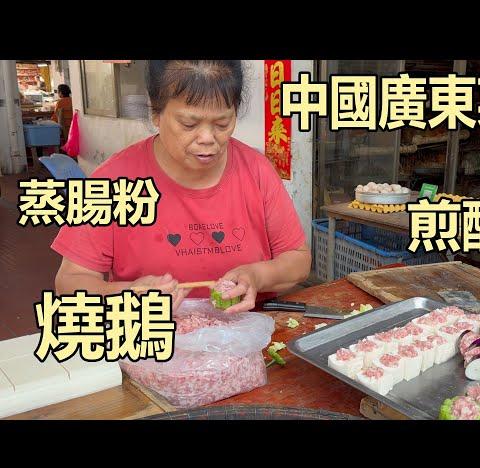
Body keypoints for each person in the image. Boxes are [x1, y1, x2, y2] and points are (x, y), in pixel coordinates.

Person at [52, 60, 311, 313]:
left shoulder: (256, 170)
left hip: (244, 342)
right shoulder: (111, 181)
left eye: (222, 123)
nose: (208, 139)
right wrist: (128, 294)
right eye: (189, 124)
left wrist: (257, 275)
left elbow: (298, 261)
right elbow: (70, 281)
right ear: (156, 112)